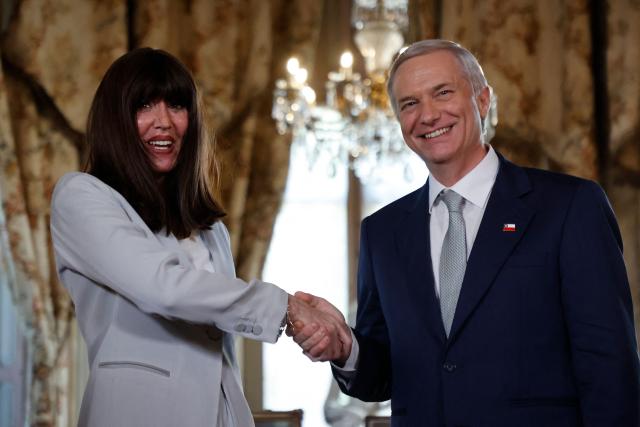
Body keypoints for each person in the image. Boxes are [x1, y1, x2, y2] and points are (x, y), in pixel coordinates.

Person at [291, 39, 640, 426]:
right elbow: (384, 377)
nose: (427, 115)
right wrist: (346, 347)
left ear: (483, 100)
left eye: (442, 93)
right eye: (409, 104)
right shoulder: (382, 232)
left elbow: (610, 366)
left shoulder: (570, 206)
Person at [50, 47, 350, 427]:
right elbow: (163, 287)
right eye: (144, 106)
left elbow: (220, 343)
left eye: (176, 106)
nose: (164, 122)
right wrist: (285, 308)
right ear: (116, 120)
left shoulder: (211, 231)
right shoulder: (80, 196)